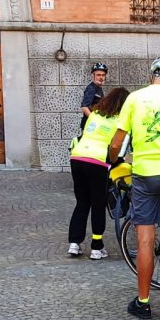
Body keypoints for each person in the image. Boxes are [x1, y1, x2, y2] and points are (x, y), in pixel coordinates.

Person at [107, 55, 160, 320]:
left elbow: (117, 141)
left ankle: (143, 302)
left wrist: (112, 159)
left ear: (151, 77)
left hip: (145, 174)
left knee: (145, 239)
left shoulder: (134, 98)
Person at [67, 87, 130, 259]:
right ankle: (96, 246)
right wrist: (116, 161)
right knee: (97, 203)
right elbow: (117, 149)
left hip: (77, 157)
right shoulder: (120, 121)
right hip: (98, 161)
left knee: (81, 202)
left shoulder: (94, 114)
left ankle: (74, 243)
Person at [79, 63, 108, 131]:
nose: (101, 77)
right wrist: (95, 121)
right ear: (93, 75)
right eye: (98, 75)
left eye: (103, 75)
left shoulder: (98, 88)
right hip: (90, 125)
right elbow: (84, 107)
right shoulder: (91, 88)